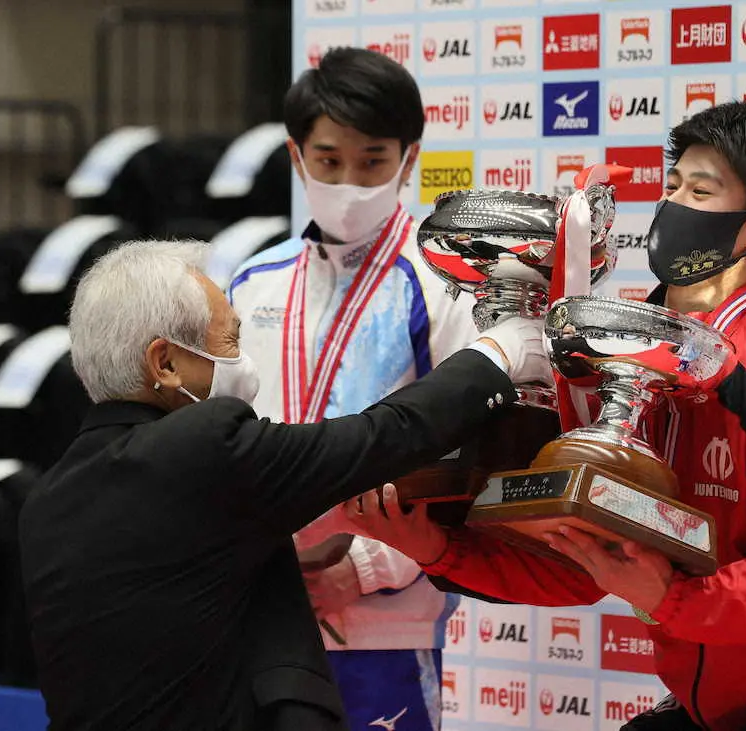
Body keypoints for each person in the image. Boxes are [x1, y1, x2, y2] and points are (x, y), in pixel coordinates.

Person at [338, 102, 746, 731]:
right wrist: (432, 546)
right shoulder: (613, 356)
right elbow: (582, 571)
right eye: (671, 186)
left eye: (700, 191)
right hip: (714, 706)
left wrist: (666, 596)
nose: (672, 205)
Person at [17, 240, 547, 731]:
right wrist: (497, 357)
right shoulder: (201, 447)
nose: (242, 362)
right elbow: (381, 437)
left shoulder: (44, 502)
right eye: (229, 340)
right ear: (167, 362)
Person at [226, 46, 478, 731]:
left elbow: (471, 459)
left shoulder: (443, 285)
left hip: (385, 620)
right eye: (329, 160)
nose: (349, 181)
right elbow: (217, 443)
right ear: (296, 156)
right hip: (262, 609)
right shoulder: (252, 283)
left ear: (410, 157)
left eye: (372, 161)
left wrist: (364, 568)